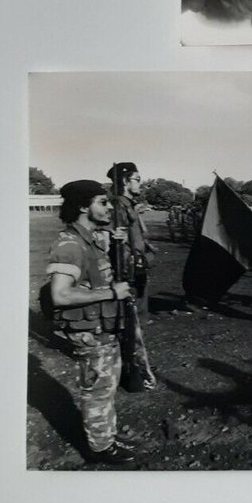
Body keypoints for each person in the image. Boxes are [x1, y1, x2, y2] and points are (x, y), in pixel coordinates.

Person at [44, 181, 136, 466]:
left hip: (101, 329)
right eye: (102, 202)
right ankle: (99, 449)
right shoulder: (70, 245)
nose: (109, 208)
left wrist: (115, 241)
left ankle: (105, 436)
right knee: (96, 391)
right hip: (88, 334)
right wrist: (111, 293)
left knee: (106, 388)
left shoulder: (90, 238)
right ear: (84, 206)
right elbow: (60, 294)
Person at [106, 162, 157, 389]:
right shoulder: (118, 205)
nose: (140, 182)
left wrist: (145, 247)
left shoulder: (129, 205)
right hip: (126, 269)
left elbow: (135, 236)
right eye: (137, 178)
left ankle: (137, 364)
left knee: (137, 319)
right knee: (130, 322)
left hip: (137, 265)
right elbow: (114, 238)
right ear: (125, 181)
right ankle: (132, 371)